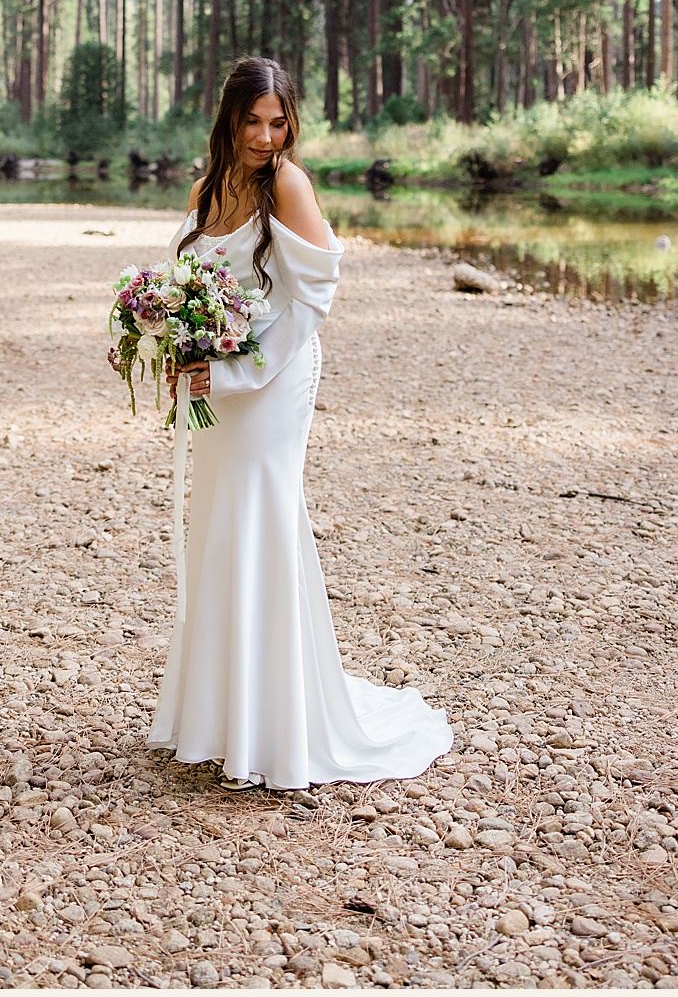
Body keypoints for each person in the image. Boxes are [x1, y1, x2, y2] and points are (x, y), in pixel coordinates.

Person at [146, 56, 456, 792]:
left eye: (277, 120)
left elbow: (311, 299)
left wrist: (230, 368)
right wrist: (172, 342)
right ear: (228, 117)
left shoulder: (287, 181)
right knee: (219, 521)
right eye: (252, 120)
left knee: (262, 518)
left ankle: (277, 728)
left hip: (275, 373)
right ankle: (221, 717)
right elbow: (189, 287)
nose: (264, 134)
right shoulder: (204, 187)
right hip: (218, 379)